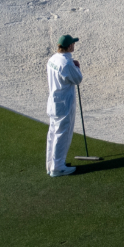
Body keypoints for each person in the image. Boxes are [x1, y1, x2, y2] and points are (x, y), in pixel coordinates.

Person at [44, 34, 83, 177]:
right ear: (69, 46)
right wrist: (77, 67)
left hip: (53, 101)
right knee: (62, 134)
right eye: (73, 43)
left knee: (53, 133)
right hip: (64, 103)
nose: (74, 45)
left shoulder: (53, 59)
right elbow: (78, 79)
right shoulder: (66, 63)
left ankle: (51, 164)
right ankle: (58, 167)